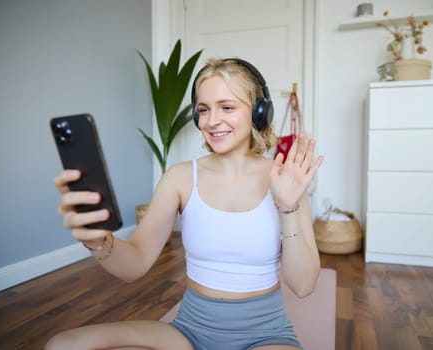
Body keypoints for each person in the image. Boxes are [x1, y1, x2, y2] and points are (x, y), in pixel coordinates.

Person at [45, 58, 324, 350]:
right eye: (203, 109)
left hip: (265, 335)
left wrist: (288, 207)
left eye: (227, 107)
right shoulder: (180, 178)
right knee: (62, 345)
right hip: (189, 332)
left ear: (259, 112)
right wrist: (99, 242)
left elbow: (303, 286)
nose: (211, 120)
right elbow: (135, 263)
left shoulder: (284, 181)